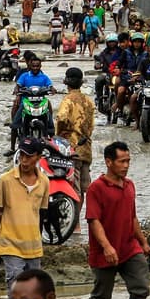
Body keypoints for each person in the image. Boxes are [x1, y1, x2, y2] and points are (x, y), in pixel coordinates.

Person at [86, 141, 150, 299]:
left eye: (128, 161)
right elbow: (93, 220)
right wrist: (106, 246)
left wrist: (143, 242)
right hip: (104, 251)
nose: (126, 165)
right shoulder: (96, 188)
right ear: (109, 162)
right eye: (122, 161)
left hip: (129, 247)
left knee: (141, 288)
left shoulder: (130, 185)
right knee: (101, 298)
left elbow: (132, 217)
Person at [0, 137, 50, 297]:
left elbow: (41, 214)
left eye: (29, 156)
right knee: (16, 293)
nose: (24, 160)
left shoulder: (44, 182)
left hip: (33, 247)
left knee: (35, 294)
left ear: (38, 157)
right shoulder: (5, 180)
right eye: (22, 155)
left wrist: (40, 240)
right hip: (11, 244)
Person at [54, 68, 96, 203]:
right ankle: (79, 219)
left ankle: (75, 222)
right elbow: (91, 126)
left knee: (73, 186)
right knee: (84, 187)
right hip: (86, 148)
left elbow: (61, 118)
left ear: (67, 83)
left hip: (71, 148)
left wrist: (58, 135)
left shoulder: (67, 100)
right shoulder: (89, 101)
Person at [8, 56, 55, 154]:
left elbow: (50, 85)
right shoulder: (24, 76)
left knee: (50, 122)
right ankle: (12, 148)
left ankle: (53, 146)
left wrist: (52, 89)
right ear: (30, 66)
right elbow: (18, 85)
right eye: (33, 66)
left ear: (40, 66)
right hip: (26, 102)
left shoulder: (44, 77)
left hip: (41, 102)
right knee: (15, 124)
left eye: (37, 66)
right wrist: (17, 90)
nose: (35, 68)